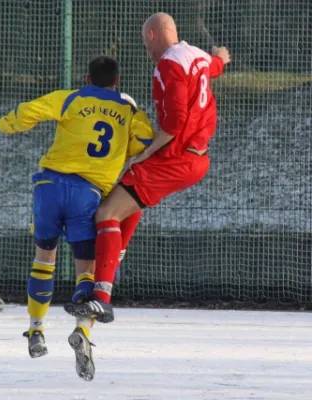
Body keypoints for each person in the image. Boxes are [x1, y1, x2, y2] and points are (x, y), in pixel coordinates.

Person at [64, 12, 231, 323]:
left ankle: (101, 296)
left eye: (145, 44)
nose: (147, 51)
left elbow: (175, 123)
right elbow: (215, 66)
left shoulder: (168, 63)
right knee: (127, 192)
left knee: (106, 213)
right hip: (194, 156)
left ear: (153, 35)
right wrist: (221, 56)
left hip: (178, 157)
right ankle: (114, 257)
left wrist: (147, 152)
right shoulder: (196, 55)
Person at [0, 56, 154, 380]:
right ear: (117, 81)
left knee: (44, 259)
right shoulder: (129, 111)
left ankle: (35, 330)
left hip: (50, 186)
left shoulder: (72, 98)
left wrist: (9, 124)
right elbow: (146, 142)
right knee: (89, 269)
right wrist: (123, 151)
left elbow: (31, 111)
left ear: (87, 79)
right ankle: (83, 329)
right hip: (88, 193)